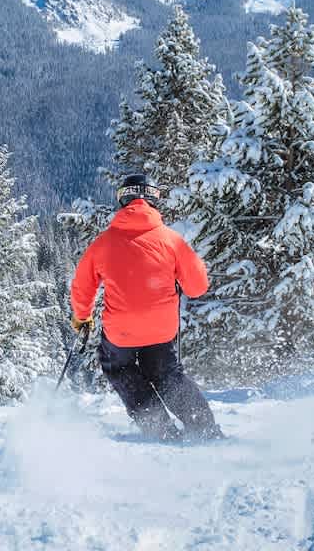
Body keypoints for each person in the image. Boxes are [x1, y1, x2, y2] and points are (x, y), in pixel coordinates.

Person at [70, 173, 223, 441]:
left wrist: (82, 317)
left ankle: (160, 430)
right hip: (161, 328)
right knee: (166, 374)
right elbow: (198, 286)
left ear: (123, 199)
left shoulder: (104, 243)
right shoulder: (171, 240)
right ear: (153, 199)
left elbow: (83, 285)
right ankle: (204, 429)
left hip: (121, 332)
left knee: (119, 368)